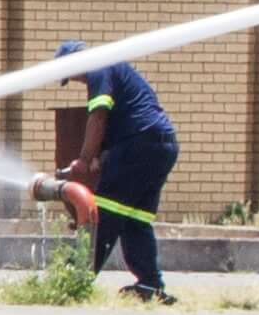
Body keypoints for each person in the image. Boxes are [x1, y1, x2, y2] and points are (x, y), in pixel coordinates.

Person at [58, 38, 177, 299]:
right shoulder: (114, 67)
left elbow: (98, 115)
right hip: (162, 146)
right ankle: (150, 285)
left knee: (104, 214)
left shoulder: (98, 65)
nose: (78, 81)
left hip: (139, 144)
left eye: (71, 74)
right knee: (136, 220)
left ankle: (72, 280)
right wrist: (101, 155)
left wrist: (84, 159)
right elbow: (123, 115)